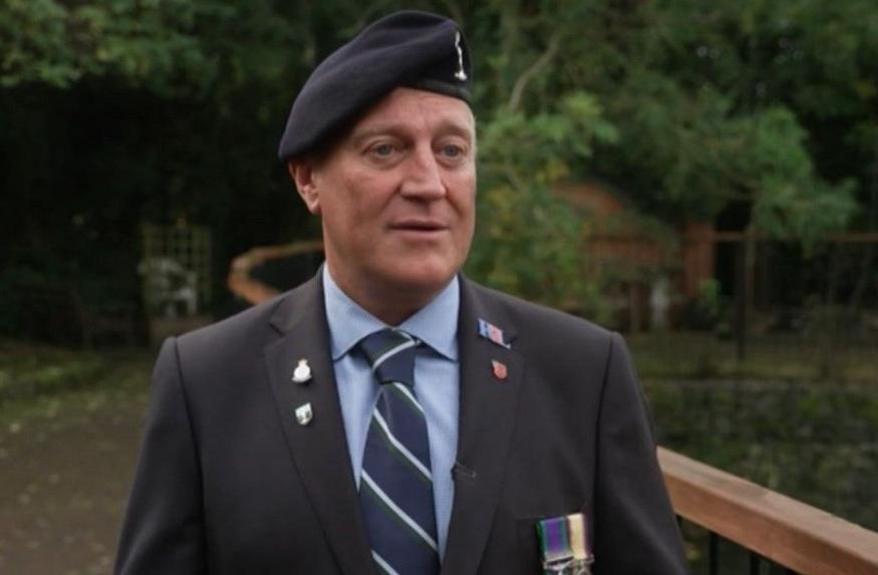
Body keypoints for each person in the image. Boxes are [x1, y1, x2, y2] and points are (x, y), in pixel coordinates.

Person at [115, 10, 687, 575]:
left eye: (451, 151)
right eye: (385, 149)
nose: (429, 184)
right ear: (309, 179)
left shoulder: (583, 372)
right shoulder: (207, 381)